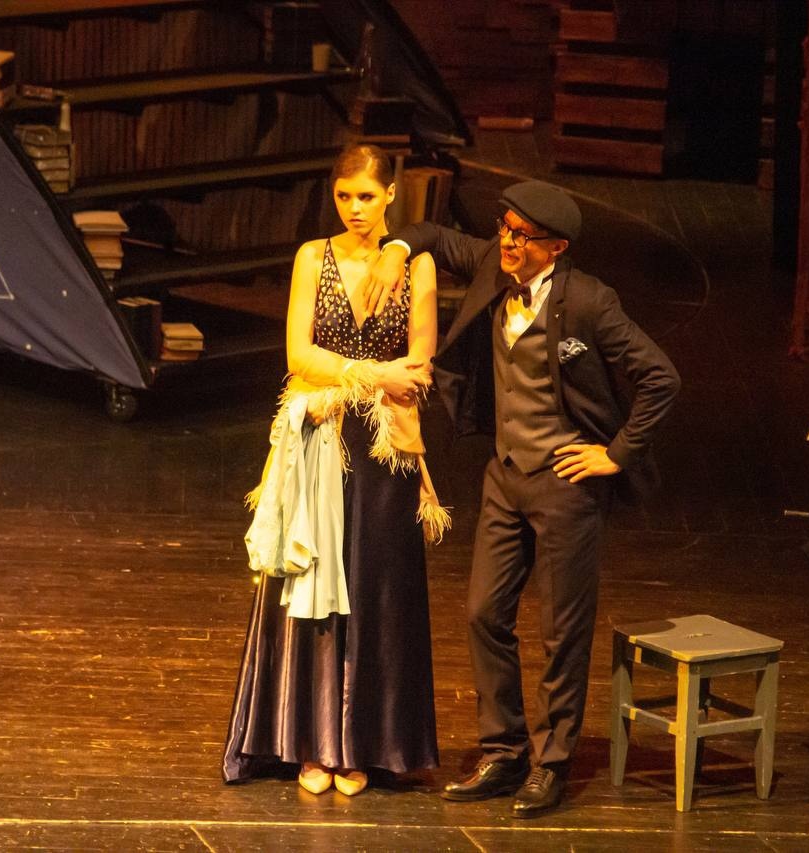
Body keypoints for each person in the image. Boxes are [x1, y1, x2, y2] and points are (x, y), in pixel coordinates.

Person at [366, 180, 680, 817]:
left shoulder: (589, 302)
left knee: (562, 630)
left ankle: (552, 763)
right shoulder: (493, 262)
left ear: (555, 248)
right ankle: (504, 751)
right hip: (505, 475)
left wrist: (615, 454)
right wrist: (396, 249)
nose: (507, 241)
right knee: (484, 612)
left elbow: (661, 378)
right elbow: (431, 235)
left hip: (566, 484)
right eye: (505, 228)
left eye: (522, 235)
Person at [223, 145, 447, 797]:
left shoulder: (416, 264)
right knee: (312, 585)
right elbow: (298, 355)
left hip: (383, 449)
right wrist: (371, 374)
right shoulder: (312, 257)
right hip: (319, 438)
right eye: (345, 195)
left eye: (367, 196)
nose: (355, 208)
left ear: (390, 195)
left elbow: (418, 368)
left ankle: (365, 747)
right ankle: (310, 743)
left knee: (376, 591)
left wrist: (360, 374)